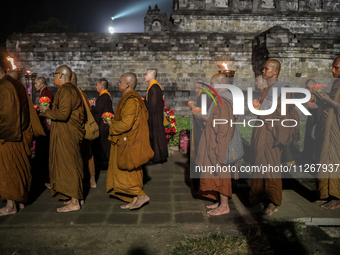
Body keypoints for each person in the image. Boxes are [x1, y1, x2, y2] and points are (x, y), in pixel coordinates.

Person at [249, 59, 300, 216]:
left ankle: (273, 201)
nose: (263, 71)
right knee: (258, 162)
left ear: (275, 72)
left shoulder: (282, 89)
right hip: (261, 130)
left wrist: (262, 110)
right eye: (263, 69)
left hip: (272, 132)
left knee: (271, 166)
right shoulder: (267, 89)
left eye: (266, 69)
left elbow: (282, 112)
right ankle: (258, 195)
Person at [39, 65, 86, 213]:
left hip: (67, 134)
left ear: (61, 75)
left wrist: (47, 111)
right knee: (70, 164)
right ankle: (75, 197)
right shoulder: (70, 90)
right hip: (66, 133)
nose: (53, 77)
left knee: (69, 165)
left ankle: (75, 202)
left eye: (54, 74)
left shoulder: (66, 90)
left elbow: (63, 114)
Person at [0, 67, 45, 216]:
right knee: (20, 169)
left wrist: (4, 134)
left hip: (10, 136)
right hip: (22, 131)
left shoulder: (4, 87)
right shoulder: (17, 85)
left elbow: (8, 115)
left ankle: (11, 205)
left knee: (10, 170)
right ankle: (20, 201)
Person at [105, 73, 152, 209]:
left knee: (127, 170)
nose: (118, 84)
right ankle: (136, 199)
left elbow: (126, 124)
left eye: (120, 82)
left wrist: (111, 125)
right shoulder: (128, 98)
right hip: (127, 141)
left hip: (129, 143)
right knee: (130, 171)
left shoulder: (131, 100)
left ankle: (141, 196)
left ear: (127, 84)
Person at [195, 74, 235, 216]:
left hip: (219, 144)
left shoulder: (224, 100)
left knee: (221, 173)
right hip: (213, 139)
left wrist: (204, 117)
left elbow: (223, 127)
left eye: (211, 83)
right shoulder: (220, 98)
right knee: (214, 172)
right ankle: (220, 202)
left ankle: (225, 206)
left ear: (218, 84)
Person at [314, 56, 340, 209]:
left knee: (335, 161)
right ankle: (326, 193)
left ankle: (337, 197)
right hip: (329, 128)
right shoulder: (336, 83)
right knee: (325, 158)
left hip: (337, 130)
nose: (333, 70)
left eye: (337, 68)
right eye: (333, 67)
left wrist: (330, 101)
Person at [71, 72, 97, 188]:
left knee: (77, 156)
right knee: (89, 154)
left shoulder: (72, 93)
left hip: (78, 129)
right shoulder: (82, 93)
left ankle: (77, 183)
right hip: (86, 128)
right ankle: (92, 180)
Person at [144, 69, 168, 163]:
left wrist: (144, 104)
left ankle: (157, 156)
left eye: (146, 74)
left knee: (155, 135)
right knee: (157, 135)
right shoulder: (153, 87)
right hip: (155, 115)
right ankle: (158, 156)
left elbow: (152, 105)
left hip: (154, 116)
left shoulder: (154, 87)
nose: (145, 76)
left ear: (152, 76)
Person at [34, 77, 54, 188]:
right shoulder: (44, 92)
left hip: (47, 127)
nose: (35, 85)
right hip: (46, 126)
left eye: (36, 83)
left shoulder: (46, 94)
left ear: (42, 84)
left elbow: (45, 111)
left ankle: (49, 179)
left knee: (46, 153)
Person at [90, 78, 114, 168]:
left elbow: (98, 110)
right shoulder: (107, 96)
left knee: (102, 142)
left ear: (101, 86)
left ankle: (103, 159)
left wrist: (91, 107)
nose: (96, 87)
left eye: (97, 85)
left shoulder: (103, 97)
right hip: (106, 122)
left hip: (103, 123)